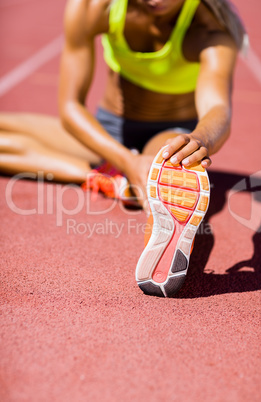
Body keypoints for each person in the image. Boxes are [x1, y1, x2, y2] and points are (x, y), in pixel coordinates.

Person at [0, 0, 246, 297]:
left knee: (169, 166)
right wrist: (128, 161)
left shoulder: (212, 30)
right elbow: (70, 108)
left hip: (171, 136)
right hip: (108, 130)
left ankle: (161, 220)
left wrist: (200, 140)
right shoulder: (92, 7)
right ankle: (115, 178)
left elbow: (218, 108)